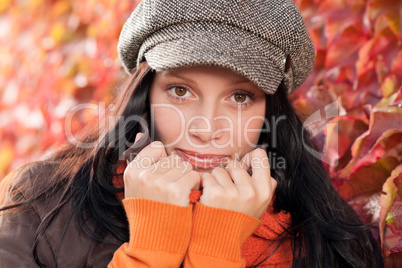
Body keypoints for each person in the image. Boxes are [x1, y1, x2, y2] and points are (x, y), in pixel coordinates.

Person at [0, 0, 383, 267]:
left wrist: (216, 246)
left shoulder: (326, 242)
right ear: (145, 94)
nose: (205, 129)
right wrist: (152, 247)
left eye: (240, 96)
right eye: (180, 91)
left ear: (269, 109)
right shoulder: (43, 206)